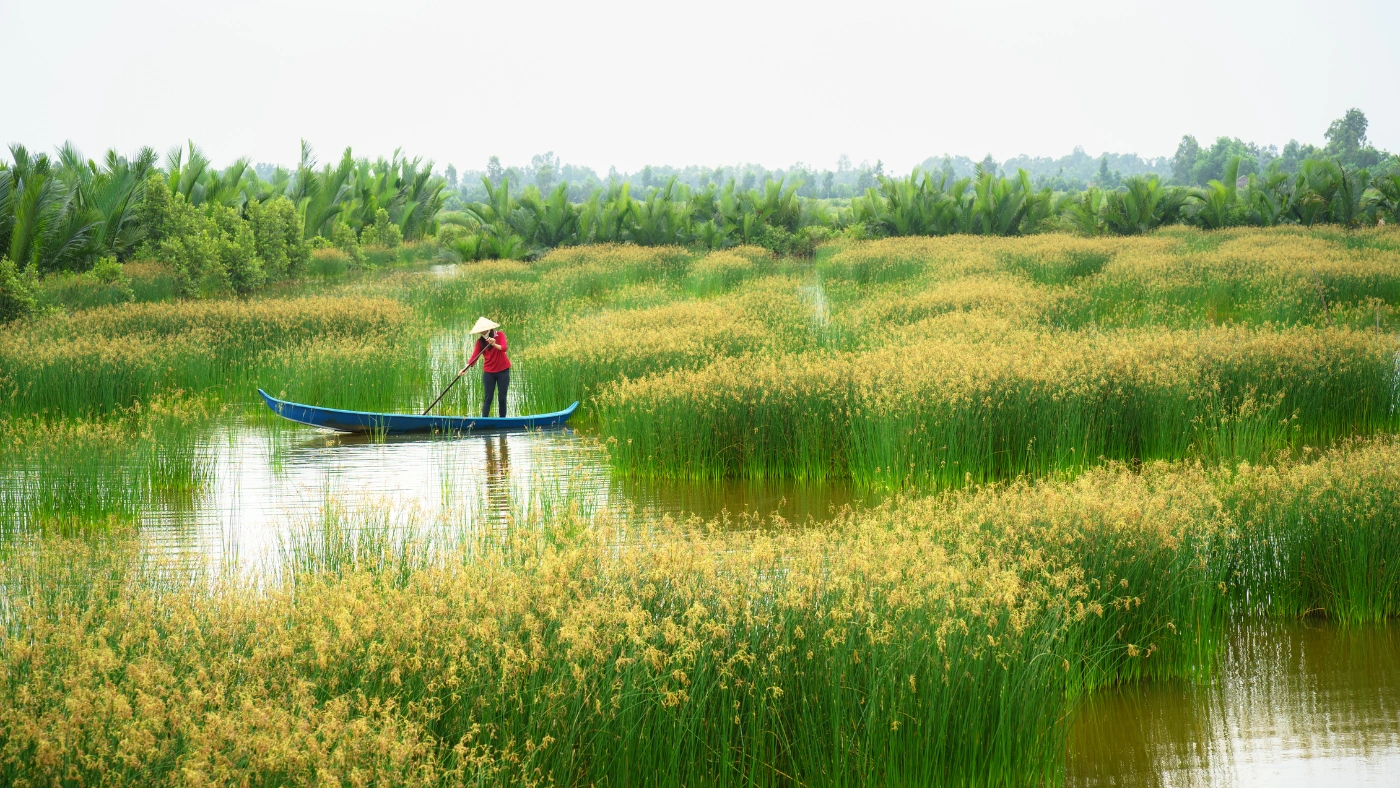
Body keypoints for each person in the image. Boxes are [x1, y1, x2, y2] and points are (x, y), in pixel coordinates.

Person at [464, 316, 511, 417]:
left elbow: (504, 348)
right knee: (488, 397)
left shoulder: (500, 335)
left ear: (488, 328)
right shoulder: (480, 342)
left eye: (483, 330)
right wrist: (464, 368)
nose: (482, 332)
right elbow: (474, 357)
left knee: (502, 398)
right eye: (480, 331)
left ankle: (502, 421)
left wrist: (494, 344)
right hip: (489, 373)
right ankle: (484, 420)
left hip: (503, 371)